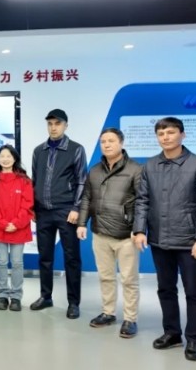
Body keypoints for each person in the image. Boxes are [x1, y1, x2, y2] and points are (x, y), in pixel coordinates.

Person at [133, 117, 196, 361]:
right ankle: (172, 333)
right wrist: (139, 230)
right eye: (161, 134)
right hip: (159, 239)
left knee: (194, 291)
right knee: (165, 289)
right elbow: (142, 200)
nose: (166, 137)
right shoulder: (150, 165)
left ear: (182, 135)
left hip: (189, 241)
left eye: (171, 132)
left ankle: (194, 340)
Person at [77, 128, 142, 338]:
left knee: (129, 280)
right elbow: (87, 198)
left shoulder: (135, 169)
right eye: (103, 141)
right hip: (100, 233)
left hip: (126, 235)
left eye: (111, 141)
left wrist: (139, 229)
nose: (106, 144)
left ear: (121, 143)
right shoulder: (95, 170)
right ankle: (108, 312)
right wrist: (81, 223)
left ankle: (130, 319)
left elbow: (143, 202)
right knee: (105, 277)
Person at [29, 109, 87, 319]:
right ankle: (46, 296)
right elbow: (35, 180)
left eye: (57, 123)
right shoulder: (39, 151)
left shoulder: (76, 149)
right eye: (50, 123)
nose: (53, 127)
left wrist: (76, 208)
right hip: (43, 212)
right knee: (44, 257)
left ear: (65, 125)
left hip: (66, 211)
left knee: (71, 258)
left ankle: (73, 302)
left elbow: (82, 180)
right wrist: (33, 207)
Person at [0, 145, 33, 312]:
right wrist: (3, 223)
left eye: (8, 156)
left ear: (14, 158)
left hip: (19, 228)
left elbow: (27, 204)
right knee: (1, 262)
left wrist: (16, 223)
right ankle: (2, 295)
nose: (5, 159)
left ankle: (16, 296)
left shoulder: (24, 180)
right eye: (2, 156)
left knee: (17, 262)